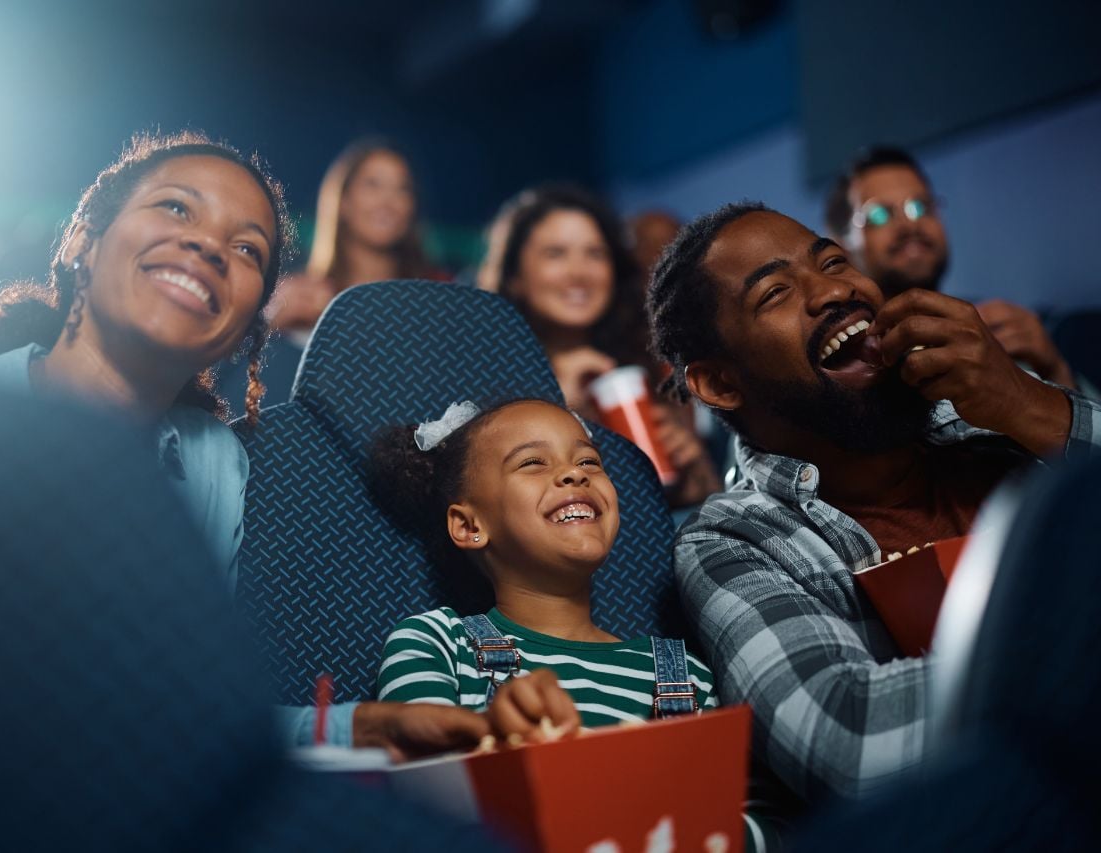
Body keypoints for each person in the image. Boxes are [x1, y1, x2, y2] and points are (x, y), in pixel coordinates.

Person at [0, 130, 493, 760]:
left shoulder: (213, 465)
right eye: (176, 207)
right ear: (86, 240)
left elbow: (186, 717)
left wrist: (360, 724)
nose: (208, 246)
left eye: (246, 250)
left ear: (241, 331)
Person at [646, 201, 1101, 803]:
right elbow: (850, 739)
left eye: (833, 260)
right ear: (719, 383)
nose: (834, 290)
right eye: (775, 293)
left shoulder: (994, 412)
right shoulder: (734, 542)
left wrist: (1030, 403)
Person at [371, 398, 779, 850]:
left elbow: (757, 823)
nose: (574, 474)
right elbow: (425, 801)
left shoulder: (685, 674)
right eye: (531, 463)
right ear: (470, 526)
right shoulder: (436, 644)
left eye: (589, 460)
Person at [479, 185, 721, 509]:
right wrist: (558, 406)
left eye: (595, 253)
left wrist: (693, 470)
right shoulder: (485, 383)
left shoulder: (649, 368)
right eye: (556, 253)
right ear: (514, 277)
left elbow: (699, 500)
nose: (579, 272)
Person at [825, 146, 1084, 391]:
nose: (909, 226)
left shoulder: (996, 332)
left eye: (920, 207)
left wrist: (1055, 371)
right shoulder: (845, 367)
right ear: (840, 244)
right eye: (880, 214)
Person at [234, 139, 444, 412]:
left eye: (402, 189)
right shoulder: (299, 295)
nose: (388, 201)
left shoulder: (437, 293)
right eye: (373, 185)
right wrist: (267, 324)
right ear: (343, 200)